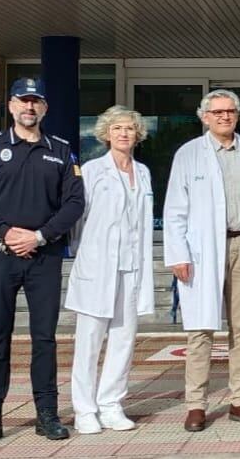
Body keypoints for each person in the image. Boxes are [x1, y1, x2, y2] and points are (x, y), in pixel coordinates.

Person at [0, 77, 85, 445]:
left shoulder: (60, 150)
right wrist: (5, 232)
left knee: (44, 339)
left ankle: (47, 415)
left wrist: (40, 236)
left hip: (43, 257)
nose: (29, 108)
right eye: (23, 101)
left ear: (44, 108)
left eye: (36, 102)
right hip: (1, 255)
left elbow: (74, 203)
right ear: (11, 106)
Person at [163, 89, 240, 432]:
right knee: (200, 327)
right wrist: (178, 253)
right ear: (204, 117)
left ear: (237, 115)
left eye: (230, 111)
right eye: (217, 112)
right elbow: (174, 209)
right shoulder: (188, 154)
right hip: (202, 250)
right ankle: (196, 404)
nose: (224, 117)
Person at [65, 105, 156, 435]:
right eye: (117, 128)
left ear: (137, 134)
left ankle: (111, 403)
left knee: (124, 339)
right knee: (89, 342)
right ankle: (85, 409)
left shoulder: (143, 172)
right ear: (105, 133)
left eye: (130, 128)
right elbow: (77, 218)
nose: (123, 133)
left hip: (130, 268)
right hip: (97, 266)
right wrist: (83, 253)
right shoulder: (91, 170)